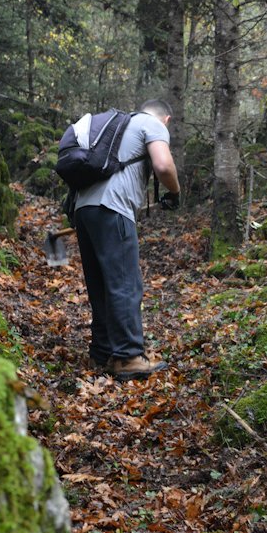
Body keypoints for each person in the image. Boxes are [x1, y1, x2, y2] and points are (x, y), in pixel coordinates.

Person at [73, 99, 181, 381]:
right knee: (124, 282)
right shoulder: (152, 124)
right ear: (165, 119)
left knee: (100, 283)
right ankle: (129, 357)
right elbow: (163, 165)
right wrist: (175, 193)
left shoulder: (117, 127)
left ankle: (102, 351)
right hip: (113, 209)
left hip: (83, 209)